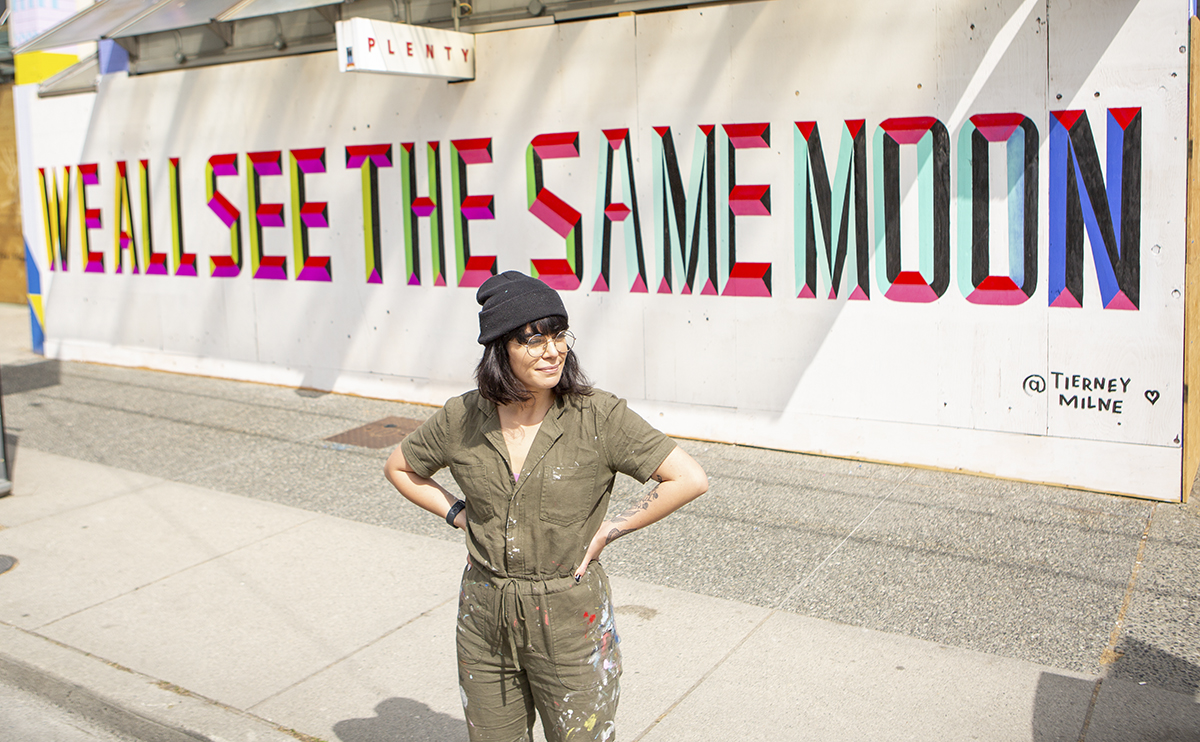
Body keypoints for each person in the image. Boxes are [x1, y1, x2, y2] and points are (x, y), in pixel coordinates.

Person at [384, 271, 708, 742]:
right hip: (485, 617)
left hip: (570, 617)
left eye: (558, 336)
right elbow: (400, 467)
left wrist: (611, 529)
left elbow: (689, 478)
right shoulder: (463, 417)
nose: (552, 350)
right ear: (500, 349)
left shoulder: (597, 415)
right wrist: (456, 513)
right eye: (532, 340)